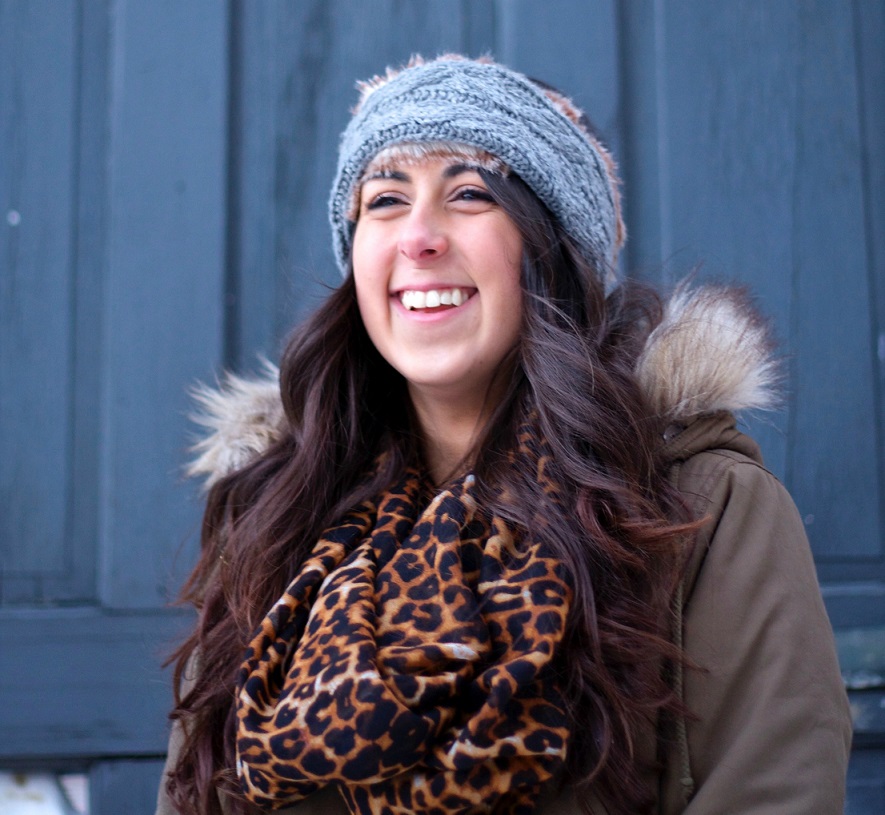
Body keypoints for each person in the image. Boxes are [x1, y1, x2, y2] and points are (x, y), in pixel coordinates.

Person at [156, 55, 851, 815]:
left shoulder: (702, 509)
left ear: (554, 248)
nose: (418, 237)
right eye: (385, 199)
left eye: (470, 193)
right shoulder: (275, 518)